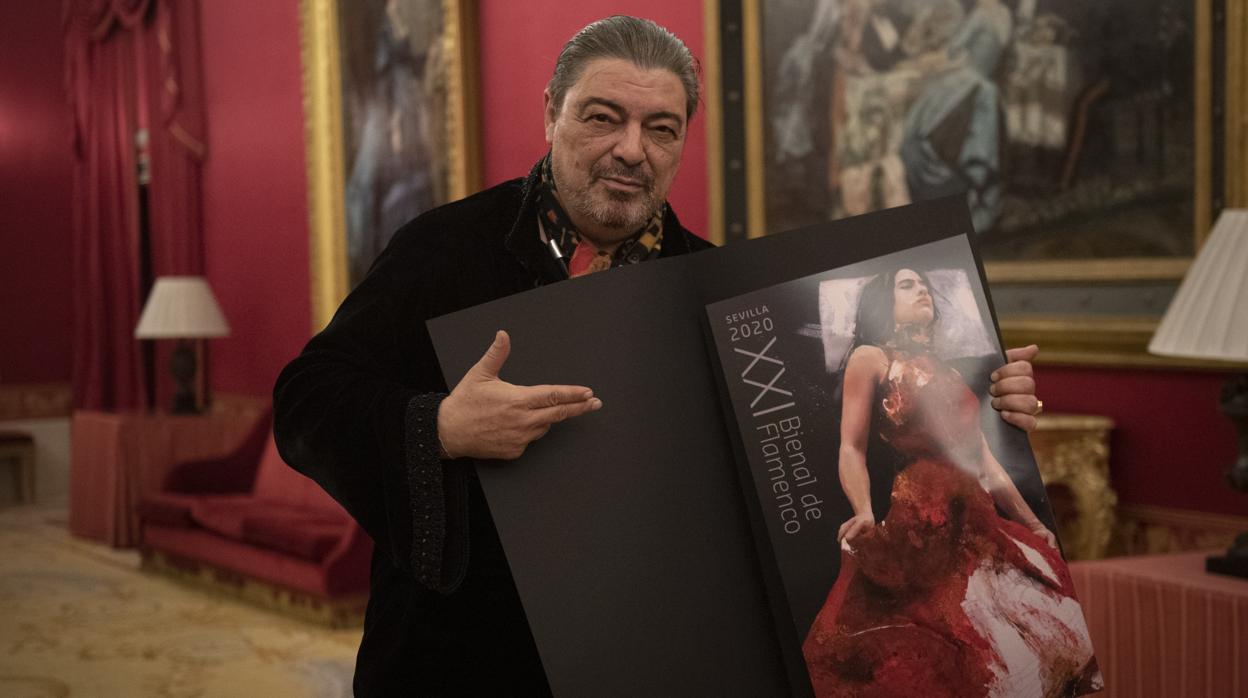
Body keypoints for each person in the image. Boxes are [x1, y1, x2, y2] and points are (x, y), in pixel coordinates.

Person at [273, 16, 1043, 695]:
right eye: (603, 119)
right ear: (551, 114)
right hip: (466, 656)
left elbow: (822, 448)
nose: (631, 151)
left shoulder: (719, 287)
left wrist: (979, 398)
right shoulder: (442, 249)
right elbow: (306, 398)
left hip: (654, 655)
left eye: (661, 127)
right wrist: (439, 426)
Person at [802, 268, 1099, 698]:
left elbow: (988, 466)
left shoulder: (951, 373)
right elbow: (851, 446)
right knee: (947, 638)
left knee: (1026, 635)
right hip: (921, 518)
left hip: (976, 517)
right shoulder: (871, 357)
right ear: (883, 301)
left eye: (923, 284)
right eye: (906, 284)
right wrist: (863, 509)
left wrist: (1034, 525)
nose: (921, 289)